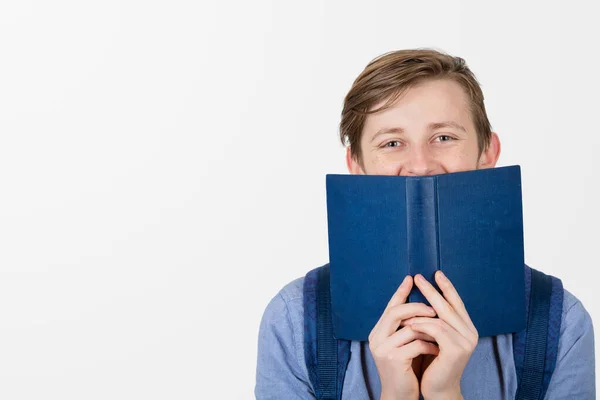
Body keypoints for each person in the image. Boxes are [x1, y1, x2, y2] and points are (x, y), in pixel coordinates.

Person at [254, 49, 595, 399]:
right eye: (392, 143)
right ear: (356, 165)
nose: (420, 165)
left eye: (444, 137)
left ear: (488, 153)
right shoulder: (293, 322)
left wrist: (446, 393)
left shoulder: (563, 325)